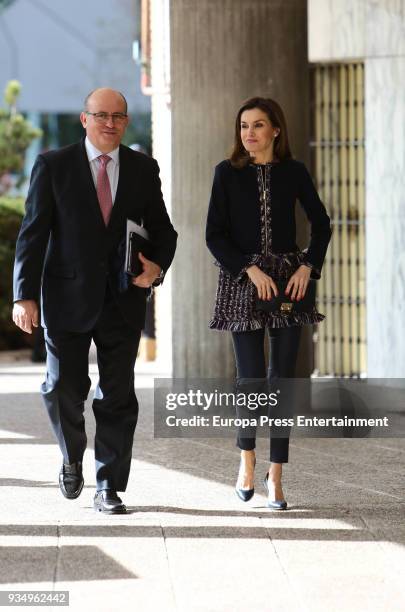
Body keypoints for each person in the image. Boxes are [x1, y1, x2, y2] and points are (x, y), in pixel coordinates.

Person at [12, 88, 177, 514]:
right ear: (84, 119)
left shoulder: (143, 168)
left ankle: (109, 485)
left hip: (123, 298)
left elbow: (164, 231)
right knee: (63, 387)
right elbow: (33, 233)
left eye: (118, 116)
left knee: (117, 394)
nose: (109, 123)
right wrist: (24, 295)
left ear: (126, 122)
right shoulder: (53, 165)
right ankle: (71, 457)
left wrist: (155, 267)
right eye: (100, 115)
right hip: (65, 296)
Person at [206, 97, 332, 510]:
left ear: (276, 130)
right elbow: (214, 235)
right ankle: (246, 460)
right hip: (243, 283)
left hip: (288, 286)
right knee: (252, 380)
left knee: (283, 380)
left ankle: (276, 474)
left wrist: (307, 267)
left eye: (258, 125)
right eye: (244, 125)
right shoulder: (226, 174)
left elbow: (322, 223)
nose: (249, 133)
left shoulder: (294, 172)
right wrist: (249, 269)